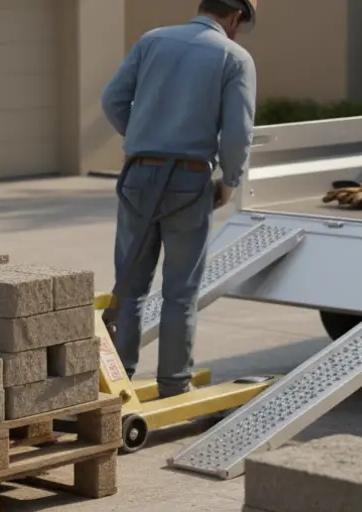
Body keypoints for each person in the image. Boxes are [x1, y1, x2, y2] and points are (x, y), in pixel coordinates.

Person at [100, 0, 258, 399]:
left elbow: (112, 101)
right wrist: (229, 181)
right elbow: (238, 135)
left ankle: (117, 382)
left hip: (138, 174)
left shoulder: (153, 41)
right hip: (189, 181)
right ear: (236, 17)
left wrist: (141, 139)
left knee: (130, 285)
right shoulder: (234, 57)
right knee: (179, 291)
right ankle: (173, 385)